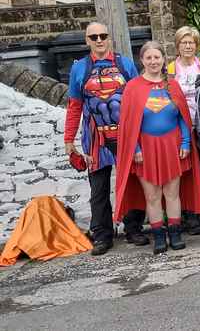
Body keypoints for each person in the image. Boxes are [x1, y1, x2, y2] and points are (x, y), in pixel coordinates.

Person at [114, 41, 200, 254]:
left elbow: (183, 117)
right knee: (152, 195)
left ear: (163, 59)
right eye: (149, 58)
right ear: (142, 60)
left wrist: (185, 141)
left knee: (172, 193)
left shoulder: (172, 85)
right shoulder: (133, 87)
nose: (153, 61)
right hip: (145, 148)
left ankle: (175, 233)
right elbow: (129, 123)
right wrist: (135, 148)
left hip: (172, 145)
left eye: (157, 57)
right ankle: (158, 236)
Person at [63, 22, 145, 256]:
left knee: (131, 182)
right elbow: (74, 105)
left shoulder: (125, 64)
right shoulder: (79, 69)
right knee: (98, 188)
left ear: (109, 38)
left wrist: (142, 134)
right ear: (87, 40)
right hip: (94, 138)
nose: (99, 40)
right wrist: (69, 140)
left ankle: (134, 227)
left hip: (126, 135)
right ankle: (102, 235)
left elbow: (139, 100)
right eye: (93, 37)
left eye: (103, 36)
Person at [167, 26, 200, 235]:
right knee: (184, 173)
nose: (188, 46)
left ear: (197, 45)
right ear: (178, 45)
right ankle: (189, 216)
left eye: (191, 42)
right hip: (179, 128)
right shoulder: (169, 70)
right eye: (184, 42)